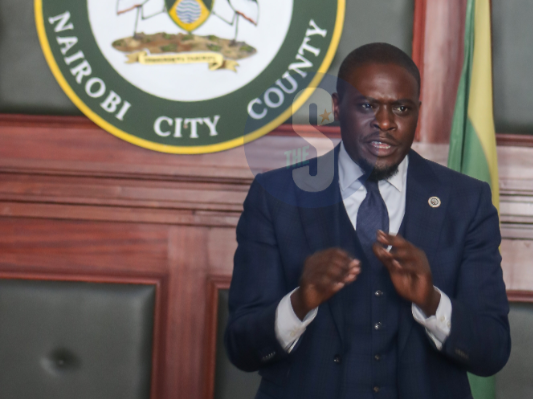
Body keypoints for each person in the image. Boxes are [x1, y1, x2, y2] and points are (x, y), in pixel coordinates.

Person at [225, 43, 510, 399]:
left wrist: (432, 303)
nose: (386, 122)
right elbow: (242, 348)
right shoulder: (276, 196)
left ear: (417, 112)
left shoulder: (467, 201)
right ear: (335, 107)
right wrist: (300, 302)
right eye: (367, 106)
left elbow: (492, 351)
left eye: (401, 108)